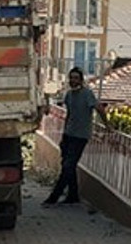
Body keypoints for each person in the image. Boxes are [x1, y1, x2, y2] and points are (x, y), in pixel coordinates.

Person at [43, 67, 108, 206]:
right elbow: (69, 115)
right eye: (71, 78)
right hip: (69, 134)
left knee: (68, 166)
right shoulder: (69, 95)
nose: (73, 80)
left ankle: (54, 197)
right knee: (67, 166)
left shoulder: (87, 94)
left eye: (76, 78)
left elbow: (100, 109)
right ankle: (73, 195)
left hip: (81, 136)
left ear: (81, 80)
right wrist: (64, 134)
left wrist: (108, 126)